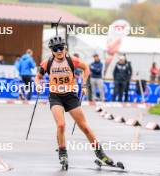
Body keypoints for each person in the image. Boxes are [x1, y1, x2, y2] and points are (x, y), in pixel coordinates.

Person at [35, 36, 114, 169]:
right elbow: (38, 77)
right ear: (52, 50)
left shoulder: (72, 60)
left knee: (84, 127)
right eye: (55, 49)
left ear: (65, 48)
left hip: (71, 96)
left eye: (61, 47)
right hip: (55, 97)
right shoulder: (46, 63)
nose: (59, 51)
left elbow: (86, 68)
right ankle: (63, 153)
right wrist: (38, 85)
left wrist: (83, 85)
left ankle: (100, 153)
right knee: (61, 125)